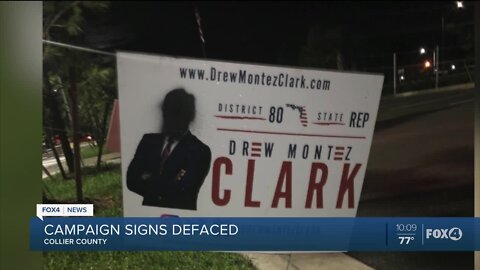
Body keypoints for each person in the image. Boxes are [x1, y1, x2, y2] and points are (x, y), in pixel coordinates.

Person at [127, 88, 211, 210]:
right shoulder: (148, 141)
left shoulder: (200, 150)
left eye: (178, 112)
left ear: (189, 116)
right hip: (149, 217)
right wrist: (170, 180)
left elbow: (182, 190)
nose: (172, 118)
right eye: (169, 111)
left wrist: (149, 177)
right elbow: (132, 181)